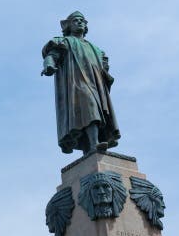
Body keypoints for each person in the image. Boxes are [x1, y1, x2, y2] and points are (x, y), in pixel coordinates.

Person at [42, 11, 121, 154]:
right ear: (69, 26)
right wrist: (48, 65)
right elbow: (52, 55)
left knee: (96, 110)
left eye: (82, 21)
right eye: (75, 20)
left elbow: (103, 64)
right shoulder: (65, 41)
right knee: (89, 105)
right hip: (77, 83)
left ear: (85, 26)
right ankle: (94, 144)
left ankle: (90, 148)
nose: (79, 22)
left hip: (96, 83)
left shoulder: (96, 49)